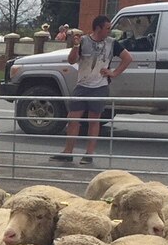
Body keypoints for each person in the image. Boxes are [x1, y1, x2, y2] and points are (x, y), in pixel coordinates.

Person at [50, 15, 133, 164]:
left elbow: (127, 58)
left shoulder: (112, 43)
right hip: (82, 85)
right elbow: (71, 60)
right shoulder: (84, 41)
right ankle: (68, 151)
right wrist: (75, 46)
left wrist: (113, 73)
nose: (109, 31)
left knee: (94, 121)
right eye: (107, 28)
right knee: (73, 119)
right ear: (98, 28)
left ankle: (89, 154)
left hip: (99, 86)